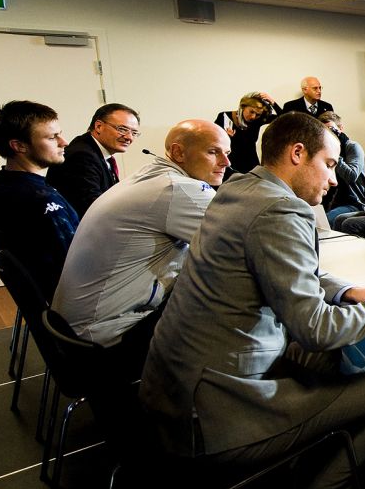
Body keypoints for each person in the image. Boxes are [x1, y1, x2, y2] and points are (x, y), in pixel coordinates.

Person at [140, 112, 365, 489]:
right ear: (298, 153)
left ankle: (308, 452)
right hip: (211, 415)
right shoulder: (281, 211)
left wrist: (346, 291)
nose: (334, 180)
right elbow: (315, 329)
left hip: (169, 391)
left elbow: (284, 268)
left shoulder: (238, 190)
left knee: (321, 361)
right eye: (330, 165)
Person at [53, 119, 231, 374]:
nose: (226, 163)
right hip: (107, 339)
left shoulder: (150, 174)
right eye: (213, 152)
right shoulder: (180, 189)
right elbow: (245, 249)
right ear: (179, 152)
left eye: (227, 153)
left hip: (71, 331)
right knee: (238, 306)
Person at [0, 100, 77, 294]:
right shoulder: (41, 199)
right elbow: (78, 261)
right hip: (78, 298)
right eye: (52, 137)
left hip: (50, 292)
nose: (64, 142)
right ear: (19, 146)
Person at [47, 103, 139, 217]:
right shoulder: (81, 155)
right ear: (99, 126)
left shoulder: (99, 153)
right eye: (122, 129)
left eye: (134, 133)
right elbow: (93, 206)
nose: (129, 137)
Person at [316, 111, 365, 225]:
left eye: (331, 129)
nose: (329, 134)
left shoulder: (352, 147)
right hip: (334, 199)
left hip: (355, 201)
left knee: (328, 220)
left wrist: (336, 154)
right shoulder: (324, 150)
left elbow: (351, 176)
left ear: (340, 128)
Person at [215, 92, 278, 176]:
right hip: (229, 165)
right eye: (251, 112)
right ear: (243, 107)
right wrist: (225, 136)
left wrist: (273, 103)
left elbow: (287, 118)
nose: (253, 116)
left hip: (250, 165)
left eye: (257, 114)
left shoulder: (259, 120)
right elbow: (213, 139)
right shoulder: (225, 116)